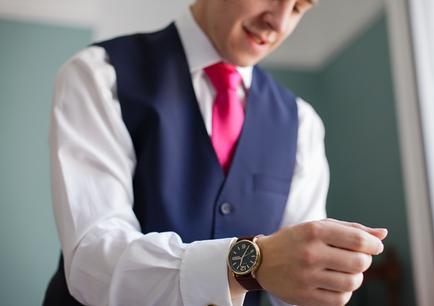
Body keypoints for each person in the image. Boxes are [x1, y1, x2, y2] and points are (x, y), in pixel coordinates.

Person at [44, 0, 388, 305]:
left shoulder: (302, 122)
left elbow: (295, 287)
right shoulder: (99, 75)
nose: (280, 23)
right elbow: (93, 262)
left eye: (299, 7)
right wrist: (249, 264)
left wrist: (322, 279)